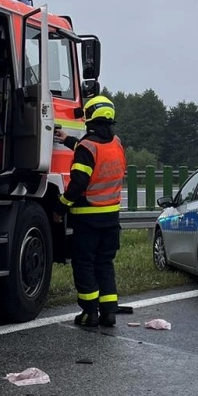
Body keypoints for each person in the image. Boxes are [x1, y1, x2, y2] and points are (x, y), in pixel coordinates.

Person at [60, 94, 126, 328]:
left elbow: (77, 184)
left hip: (88, 220)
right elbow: (93, 149)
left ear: (89, 117)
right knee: (104, 264)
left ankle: (90, 314)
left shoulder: (87, 147)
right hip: (111, 219)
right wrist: (67, 139)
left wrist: (61, 204)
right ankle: (108, 313)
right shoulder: (116, 143)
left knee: (85, 264)